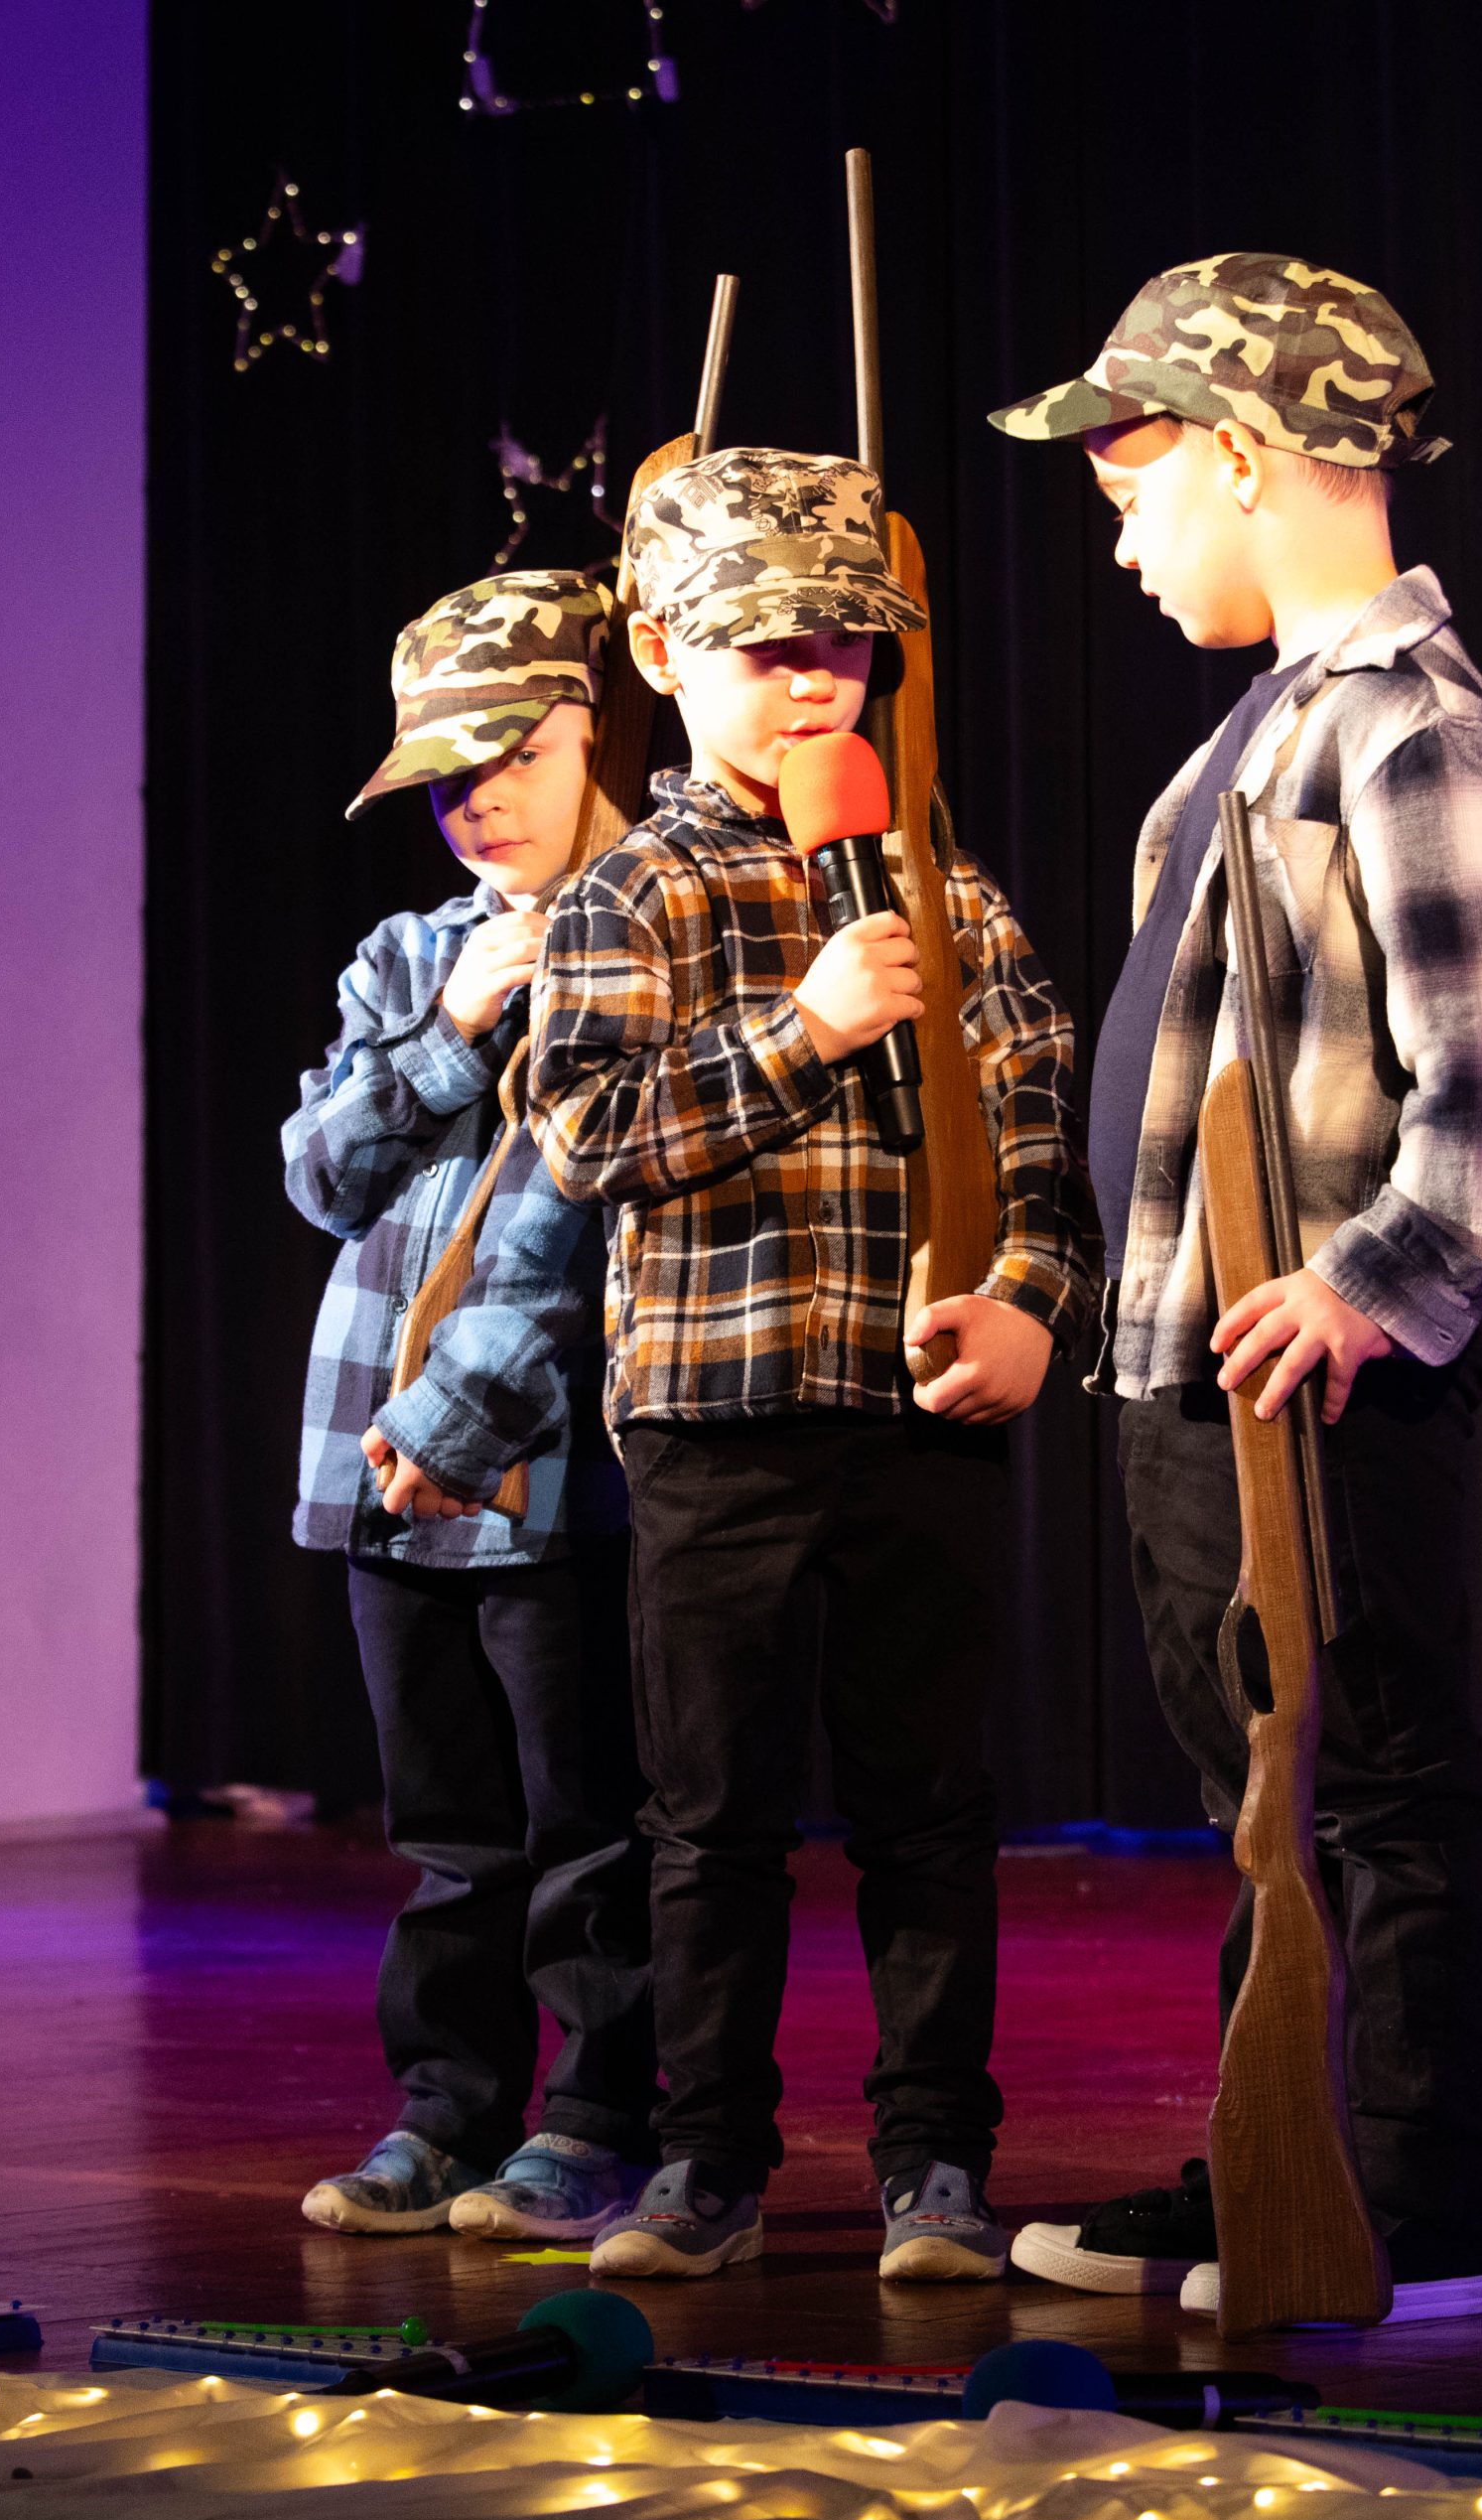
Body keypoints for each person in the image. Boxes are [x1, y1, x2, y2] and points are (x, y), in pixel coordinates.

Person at [989, 254, 1482, 2322]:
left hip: (1316, 1363)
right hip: (1197, 1351)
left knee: (1378, 1774)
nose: (1123, 541)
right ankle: (1272, 2154)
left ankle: (1401, 2203)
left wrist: (1368, 1283)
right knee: (1262, 1791)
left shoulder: (1406, 724)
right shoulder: (1273, 720)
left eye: (1132, 488)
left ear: (1242, 454)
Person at [526, 447, 1096, 2281]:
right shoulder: (634, 889)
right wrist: (804, 1027)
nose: (811, 680)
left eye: (844, 644)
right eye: (765, 647)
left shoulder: (945, 886)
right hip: (716, 1425)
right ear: (667, 655)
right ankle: (708, 2160)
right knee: (713, 1818)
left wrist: (1031, 1300)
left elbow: (1043, 1127)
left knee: (930, 1809)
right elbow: (585, 1135)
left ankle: (936, 2162)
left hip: (917, 1416)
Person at [284, 571, 656, 2240]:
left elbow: (583, 1217)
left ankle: (596, 2119)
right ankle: (447, 2109)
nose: (480, 801)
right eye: (445, 779)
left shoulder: (651, 924)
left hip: (556, 1458)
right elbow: (317, 1175)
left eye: (512, 756)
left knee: (586, 1817)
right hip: (375, 1445)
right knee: (446, 1825)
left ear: (591, 732)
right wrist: (446, 1031)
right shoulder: (408, 954)